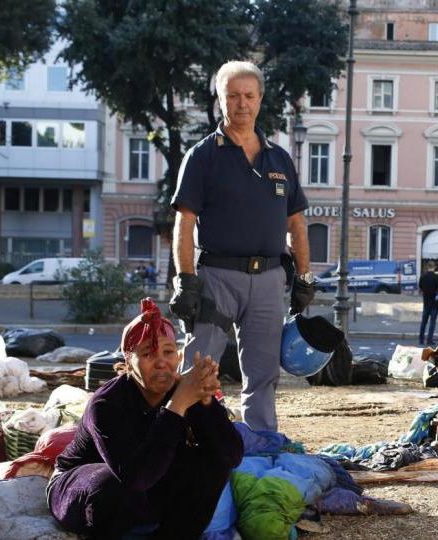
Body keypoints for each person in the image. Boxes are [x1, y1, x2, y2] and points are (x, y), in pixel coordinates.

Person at [169, 61, 315, 432]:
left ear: (260, 99)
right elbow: (184, 222)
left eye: (249, 95)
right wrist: (185, 281)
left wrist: (305, 277)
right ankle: (186, 440)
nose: (241, 103)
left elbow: (296, 224)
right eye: (232, 96)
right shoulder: (202, 156)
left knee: (263, 375)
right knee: (198, 369)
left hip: (268, 281)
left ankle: (261, 444)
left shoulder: (279, 159)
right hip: (217, 278)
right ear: (220, 100)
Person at [47, 298, 243, 538]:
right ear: (129, 362)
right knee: (114, 485)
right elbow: (135, 477)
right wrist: (178, 405)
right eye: (148, 353)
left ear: (179, 358)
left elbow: (232, 455)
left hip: (148, 485)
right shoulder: (107, 403)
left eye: (168, 352)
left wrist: (206, 403)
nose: (161, 362)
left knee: (212, 462)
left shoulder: (182, 389)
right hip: (84, 489)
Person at [418, 261, 438, 345]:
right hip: (434, 303)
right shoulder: (436, 277)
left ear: (427, 266)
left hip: (426, 302)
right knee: (432, 323)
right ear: (434, 267)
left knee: (424, 322)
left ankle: (421, 339)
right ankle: (429, 340)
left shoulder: (423, 276)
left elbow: (420, 287)